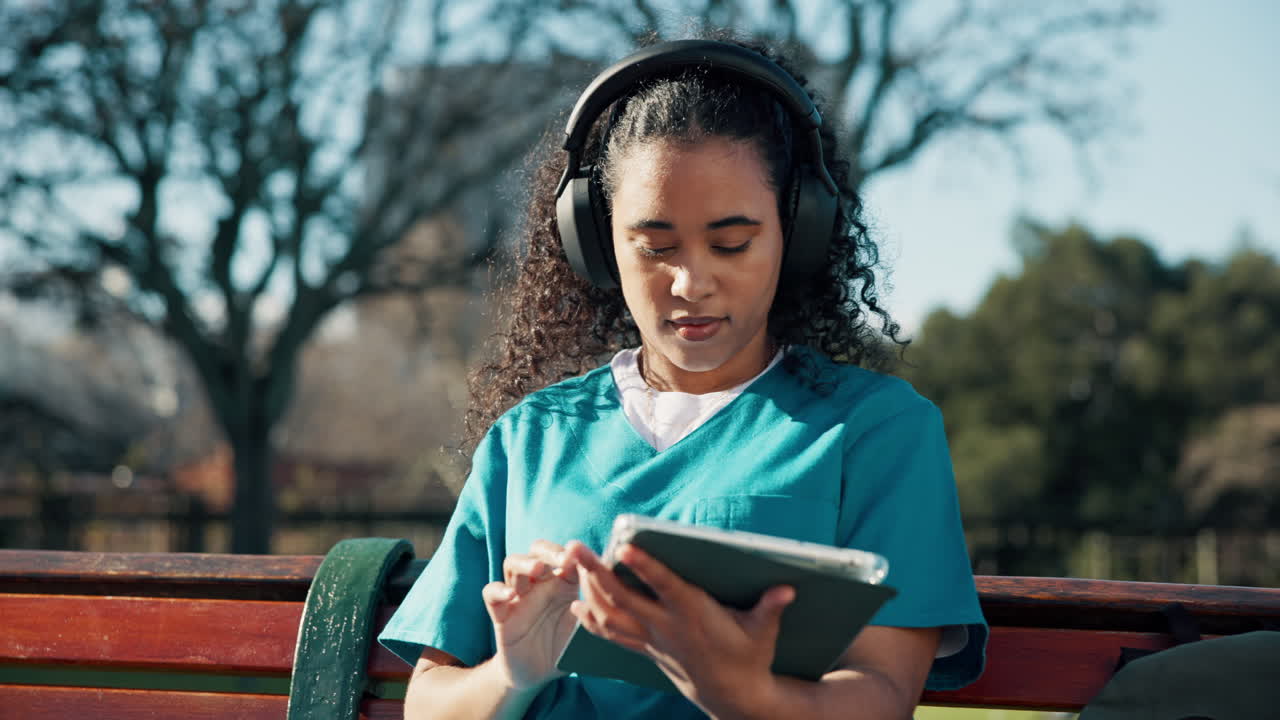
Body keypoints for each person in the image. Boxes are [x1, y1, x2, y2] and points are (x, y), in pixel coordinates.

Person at [379, 31, 987, 720]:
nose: (691, 282)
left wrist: (737, 689)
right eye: (655, 246)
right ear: (597, 243)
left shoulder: (877, 432)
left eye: (732, 243)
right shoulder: (528, 441)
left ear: (799, 230)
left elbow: (882, 697)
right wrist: (516, 671)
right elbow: (428, 702)